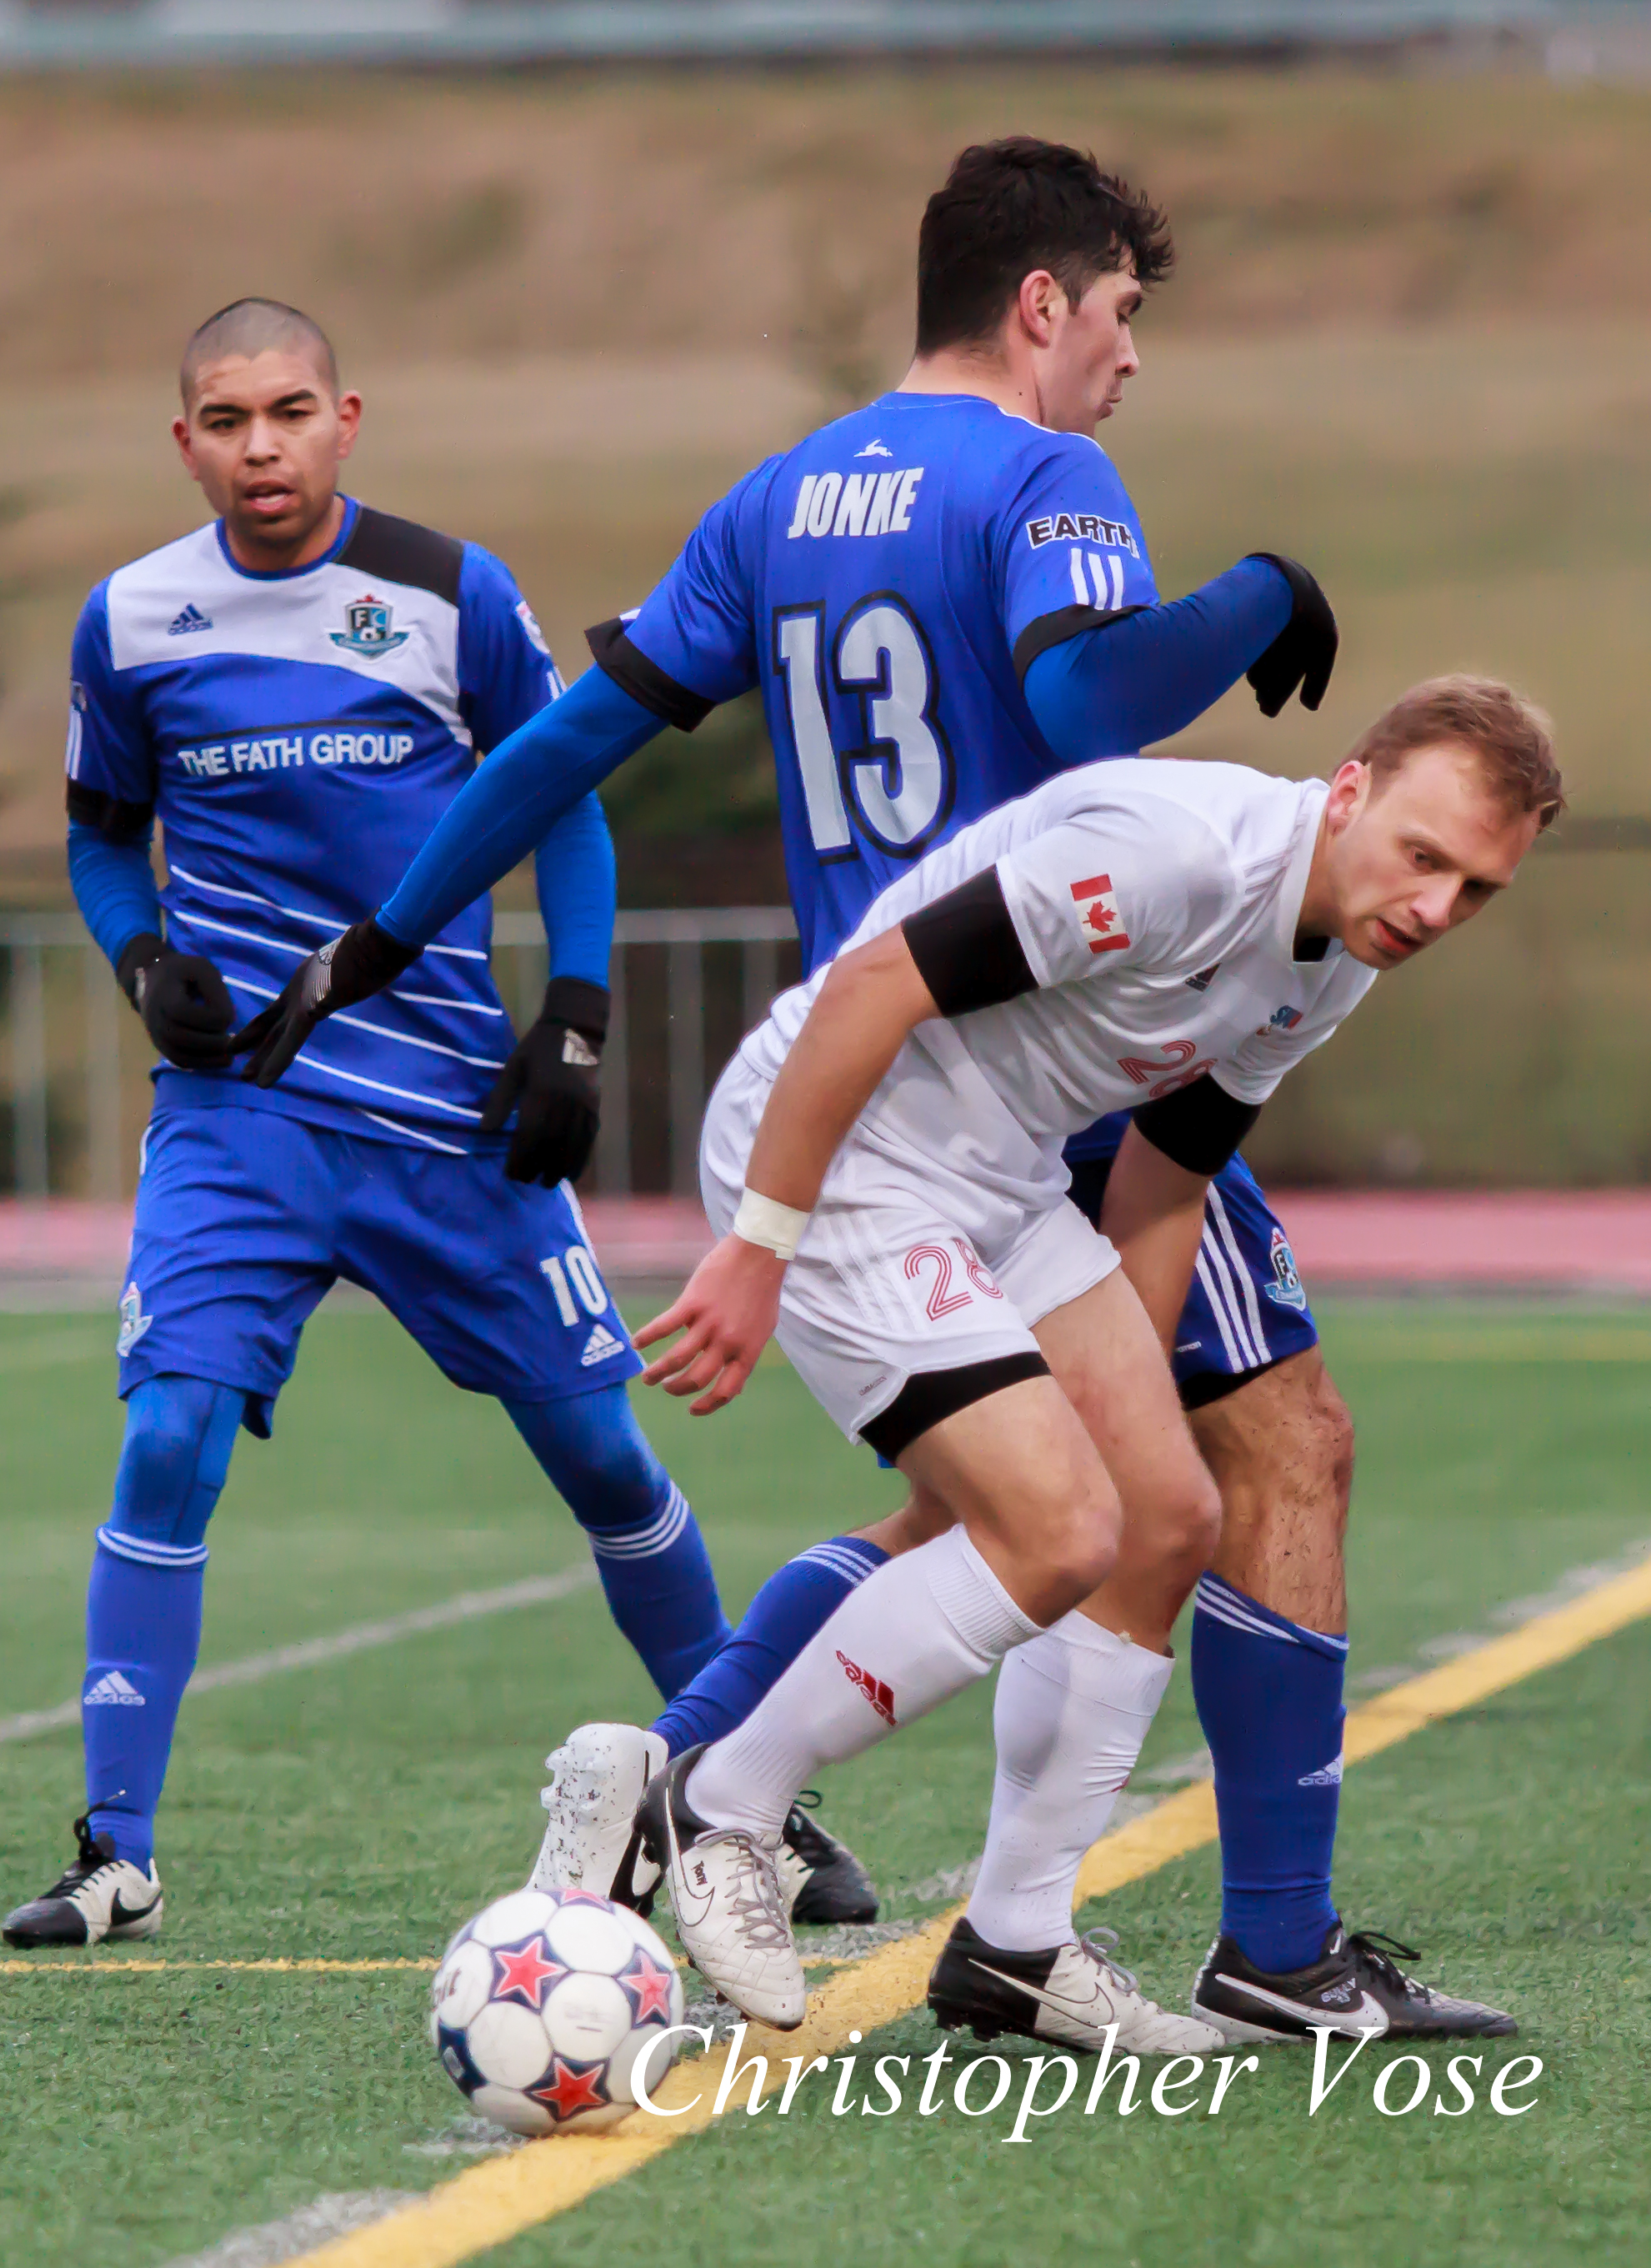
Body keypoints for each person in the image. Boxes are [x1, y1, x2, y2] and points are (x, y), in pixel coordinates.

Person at [235, 139, 1368, 2001]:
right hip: (1054, 1060)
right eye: (1120, 314)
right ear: (1038, 305)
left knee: (990, 1511)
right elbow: (1089, 700)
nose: (1127, 360)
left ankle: (679, 1783)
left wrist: (379, 935)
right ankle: (1261, 1942)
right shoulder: (1048, 471)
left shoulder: (778, 495)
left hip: (881, 1066)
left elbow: (564, 744)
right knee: (1252, 1458)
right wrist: (1264, 587)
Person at [627, 681, 1559, 2040]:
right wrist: (759, 1246)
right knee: (1055, 1527)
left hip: (997, 1177)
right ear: (1349, 789)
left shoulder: (1336, 955)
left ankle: (1014, 1944)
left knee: (1165, 1514)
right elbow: (876, 980)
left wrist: (1121, 1395)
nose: (1433, 908)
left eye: (1475, 890)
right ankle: (720, 1799)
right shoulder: (1178, 856)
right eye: (1424, 856)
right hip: (846, 1153)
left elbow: (1168, 1174)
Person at [0, 298, 748, 1950]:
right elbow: (102, 837)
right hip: (237, 1116)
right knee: (169, 1428)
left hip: (443, 1115)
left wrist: (575, 1010)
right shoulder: (127, 620)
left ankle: (753, 1801)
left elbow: (561, 788)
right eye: (222, 419)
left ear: (349, 416)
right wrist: (140, 957)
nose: (258, 446)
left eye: (287, 411)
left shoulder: (452, 592)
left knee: (600, 1450)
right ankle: (113, 1846)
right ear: (181, 440)